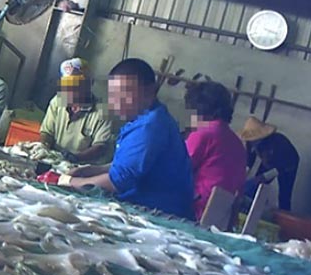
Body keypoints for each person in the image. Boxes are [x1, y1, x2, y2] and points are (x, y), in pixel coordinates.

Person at [60, 58, 194, 219]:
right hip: (144, 207)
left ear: (150, 91)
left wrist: (70, 182)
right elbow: (125, 165)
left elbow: (118, 181)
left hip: (157, 215)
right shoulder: (143, 119)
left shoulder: (150, 126)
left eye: (125, 94)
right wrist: (88, 170)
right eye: (113, 95)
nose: (117, 102)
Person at [184, 81, 247, 222]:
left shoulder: (203, 134)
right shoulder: (237, 143)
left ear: (196, 109)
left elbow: (179, 169)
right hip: (221, 217)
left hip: (196, 211)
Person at [39, 58, 114, 163]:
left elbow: (100, 146)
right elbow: (47, 132)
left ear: (89, 83)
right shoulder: (58, 101)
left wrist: (75, 158)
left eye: (76, 84)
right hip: (54, 161)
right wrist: (43, 147)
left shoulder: (102, 111)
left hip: (83, 167)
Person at [240, 116, 300, 211]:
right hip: (270, 163)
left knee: (284, 195)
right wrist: (243, 176)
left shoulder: (277, 144)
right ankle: (250, 208)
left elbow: (278, 169)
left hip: (288, 164)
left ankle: (283, 214)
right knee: (254, 186)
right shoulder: (250, 142)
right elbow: (249, 160)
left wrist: (262, 178)